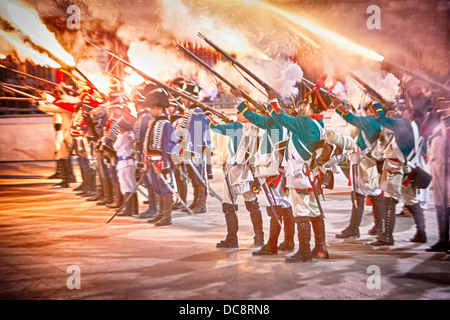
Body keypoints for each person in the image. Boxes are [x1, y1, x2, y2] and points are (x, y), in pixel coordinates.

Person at [266, 80, 330, 263]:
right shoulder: (318, 124)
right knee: (315, 211)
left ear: (309, 106)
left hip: (299, 176)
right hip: (310, 176)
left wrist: (272, 101)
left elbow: (280, 118)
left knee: (301, 212)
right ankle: (320, 248)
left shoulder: (304, 123)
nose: (302, 106)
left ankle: (303, 251)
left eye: (304, 104)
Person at [233, 92, 294, 255]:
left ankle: (272, 245)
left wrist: (240, 102)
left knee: (276, 207)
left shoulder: (274, 122)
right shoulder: (285, 122)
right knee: (285, 206)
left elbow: (252, 117)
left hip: (273, 170)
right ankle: (289, 242)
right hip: (281, 169)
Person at [207, 104, 264, 248]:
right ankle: (259, 237)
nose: (237, 114)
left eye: (239, 112)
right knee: (252, 204)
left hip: (234, 171)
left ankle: (232, 238)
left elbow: (214, 127)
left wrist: (207, 115)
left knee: (228, 204)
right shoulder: (258, 128)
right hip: (250, 173)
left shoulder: (237, 127)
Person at [369, 102, 427, 246]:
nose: (401, 112)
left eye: (404, 110)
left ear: (411, 113)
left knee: (389, 200)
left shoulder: (403, 123)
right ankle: (421, 233)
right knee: (412, 202)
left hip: (395, 170)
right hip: (409, 171)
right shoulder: (419, 127)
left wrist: (376, 104)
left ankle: (387, 236)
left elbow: (381, 119)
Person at [334, 102, 385, 238]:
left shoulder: (369, 120)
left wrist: (338, 107)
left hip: (362, 162)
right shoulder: (383, 121)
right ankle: (380, 226)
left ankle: (353, 228)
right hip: (373, 162)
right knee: (375, 193)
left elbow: (350, 118)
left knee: (357, 194)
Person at [143, 88, 176, 226]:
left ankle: (167, 216)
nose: (150, 110)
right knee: (157, 187)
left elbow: (169, 145)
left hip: (161, 161)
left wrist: (164, 165)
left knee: (165, 187)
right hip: (152, 159)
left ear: (158, 108)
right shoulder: (153, 122)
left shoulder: (166, 124)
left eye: (152, 108)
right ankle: (161, 212)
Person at [425, 98, 449, 252]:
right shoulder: (439, 125)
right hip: (438, 171)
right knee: (441, 206)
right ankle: (443, 240)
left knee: (447, 205)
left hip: (447, 171)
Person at [133, 96, 158, 219]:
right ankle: (153, 206)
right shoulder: (143, 117)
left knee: (151, 182)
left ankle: (154, 208)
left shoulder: (145, 118)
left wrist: (144, 156)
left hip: (146, 155)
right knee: (148, 182)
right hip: (142, 154)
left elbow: (144, 139)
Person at [114, 111, 138, 217]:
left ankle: (128, 210)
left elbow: (116, 147)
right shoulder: (131, 135)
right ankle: (134, 208)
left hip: (124, 162)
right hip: (130, 162)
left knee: (127, 186)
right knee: (132, 185)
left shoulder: (123, 137)